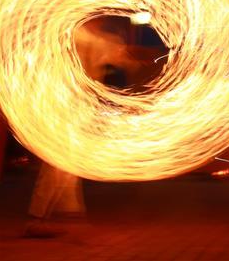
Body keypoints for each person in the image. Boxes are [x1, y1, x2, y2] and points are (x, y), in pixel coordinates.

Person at [23, 17, 150, 238]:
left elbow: (123, 58)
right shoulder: (75, 34)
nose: (100, 21)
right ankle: (37, 218)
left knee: (69, 163)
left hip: (78, 107)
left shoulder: (98, 39)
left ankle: (67, 215)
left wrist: (140, 62)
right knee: (57, 164)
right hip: (64, 105)